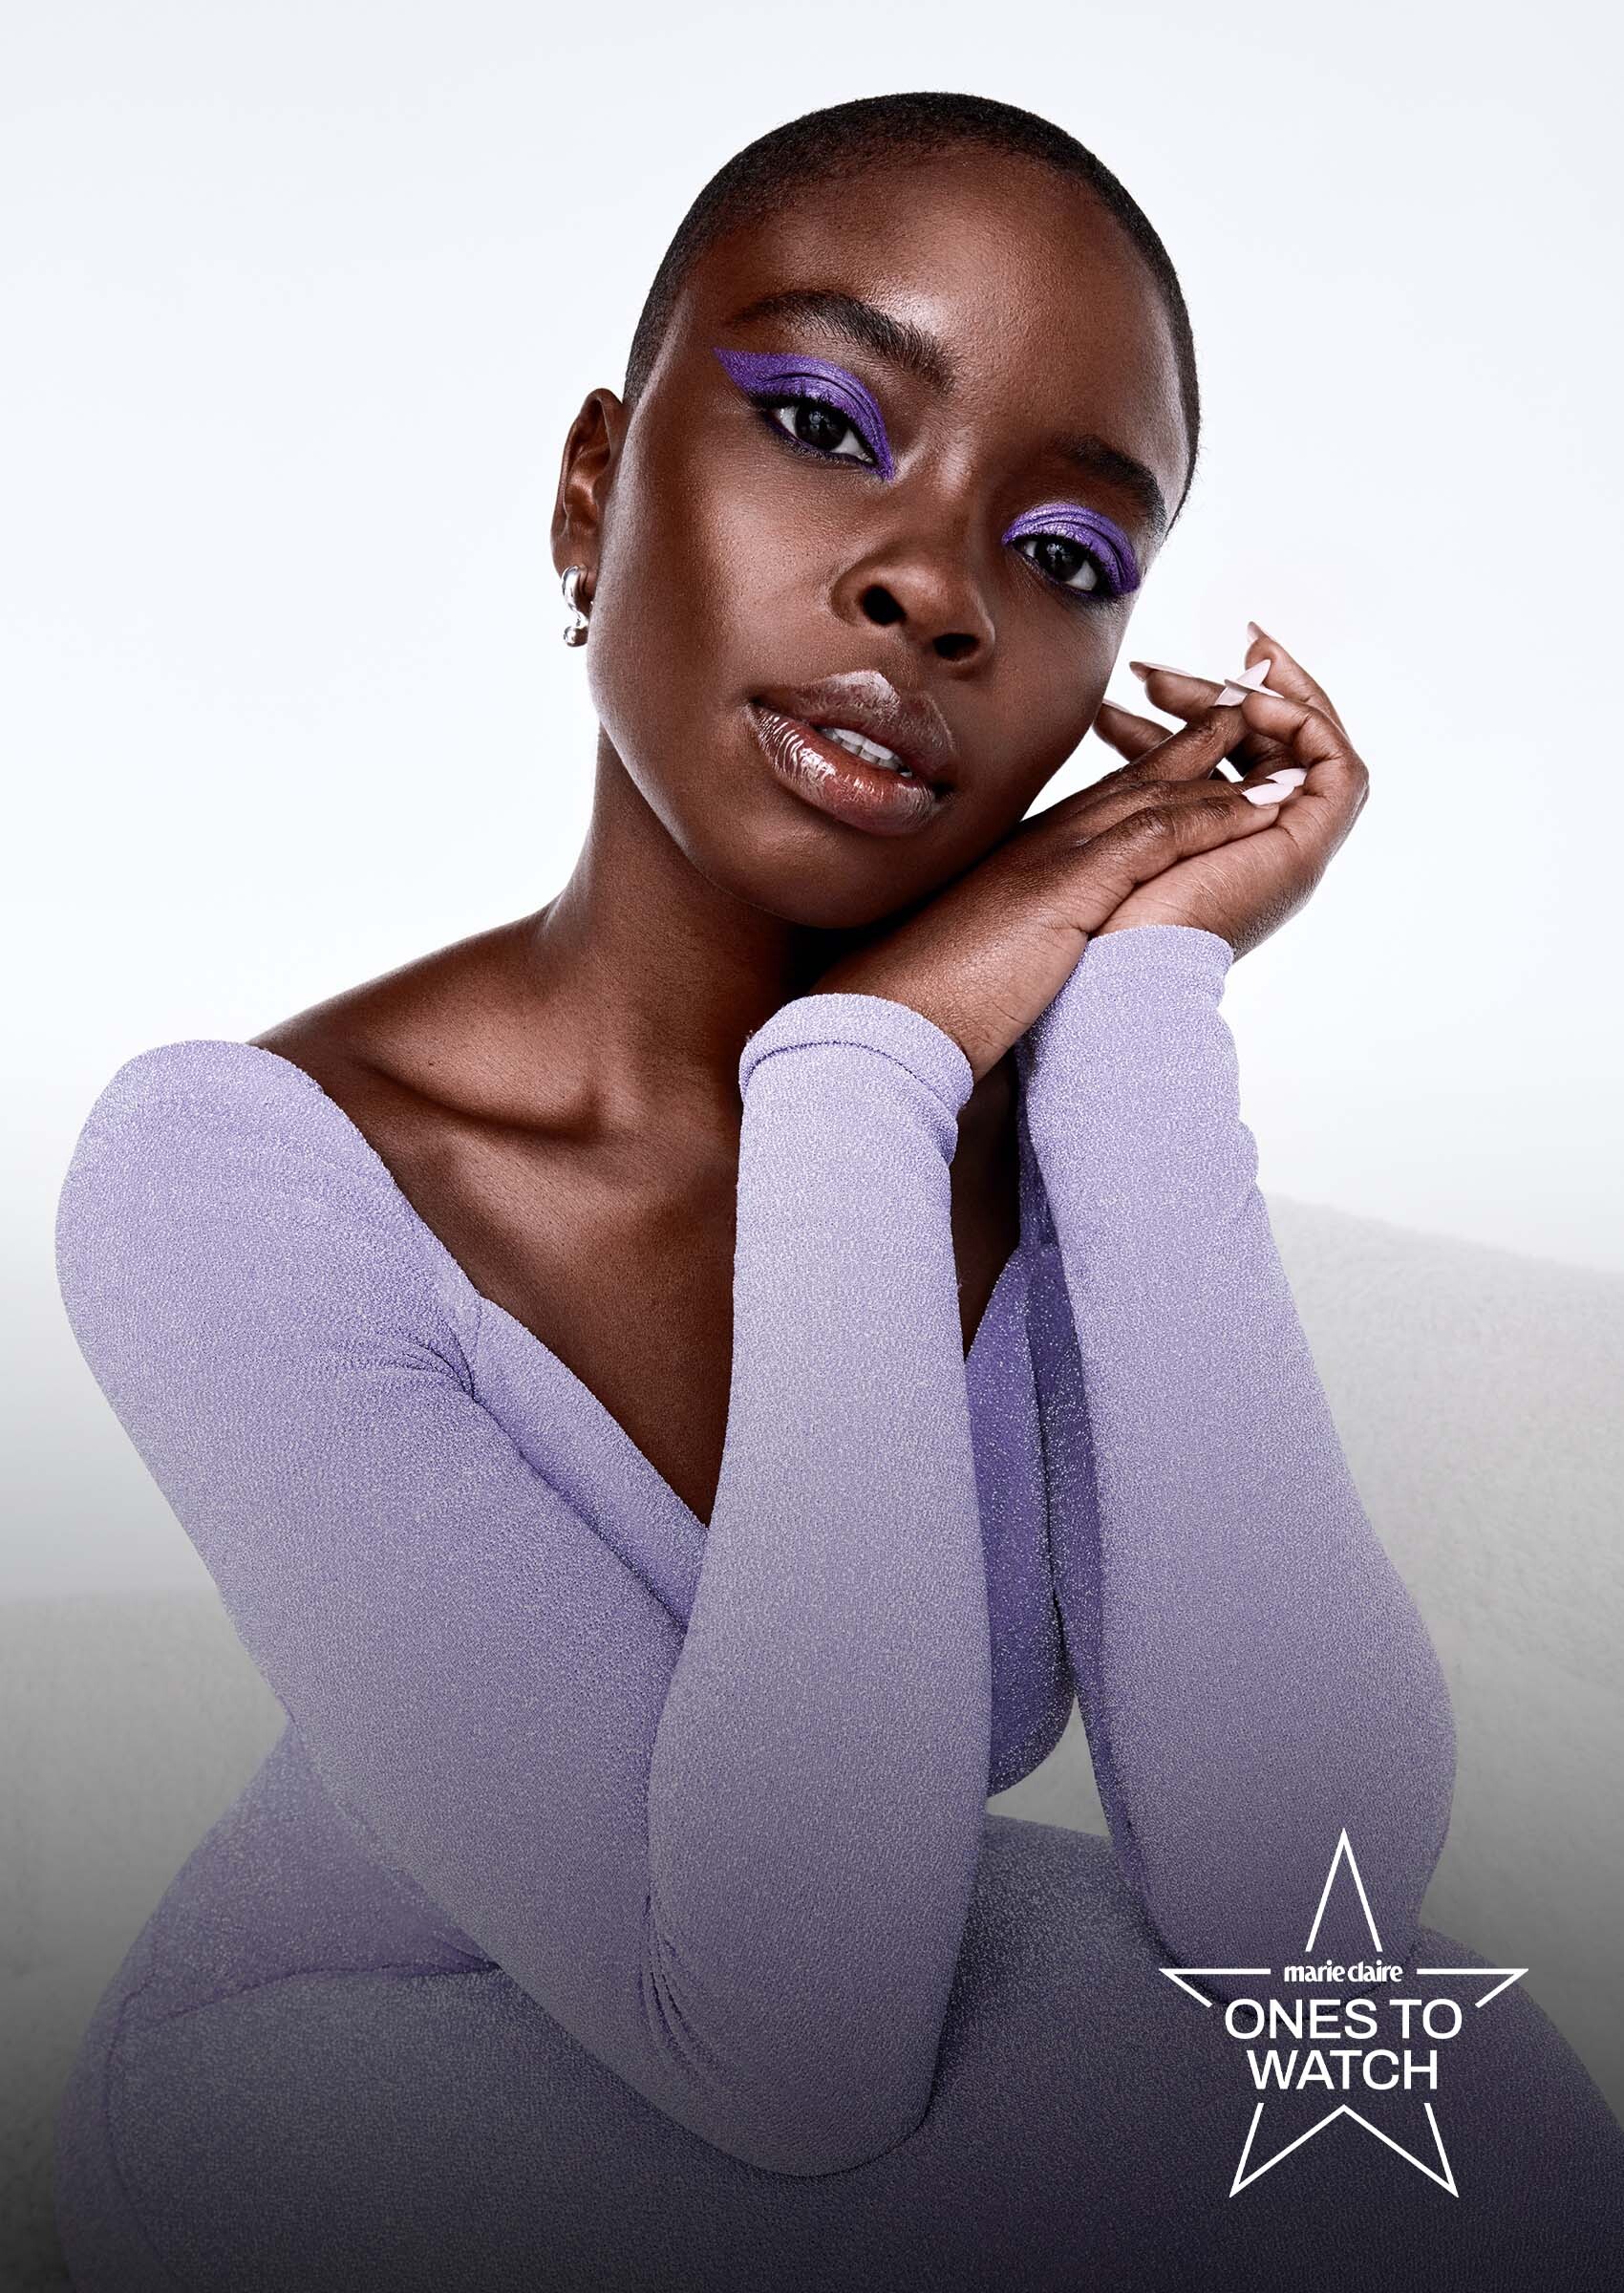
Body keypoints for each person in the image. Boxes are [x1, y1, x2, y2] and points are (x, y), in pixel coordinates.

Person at [51, 90, 1624, 2293]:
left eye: (1067, 556)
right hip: (323, 2089)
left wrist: (1139, 1011)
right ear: (593, 497)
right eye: (821, 418)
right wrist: (862, 1071)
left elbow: (1306, 1907)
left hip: (813, 2045)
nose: (932, 586)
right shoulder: (236, 1179)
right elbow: (789, 2050)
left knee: (1481, 2119)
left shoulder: (1025, 1141)